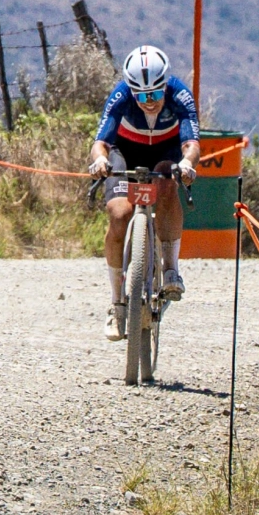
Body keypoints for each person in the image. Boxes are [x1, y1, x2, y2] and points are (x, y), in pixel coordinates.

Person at [88, 45, 199, 342]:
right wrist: (100, 160)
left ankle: (171, 269)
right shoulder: (121, 96)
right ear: (131, 90)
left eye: (155, 94)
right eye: (141, 96)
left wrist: (187, 164)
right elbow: (101, 142)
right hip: (128, 150)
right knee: (120, 214)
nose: (149, 102)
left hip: (165, 151)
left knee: (166, 187)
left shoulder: (180, 96)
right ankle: (116, 304)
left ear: (165, 85)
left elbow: (192, 145)